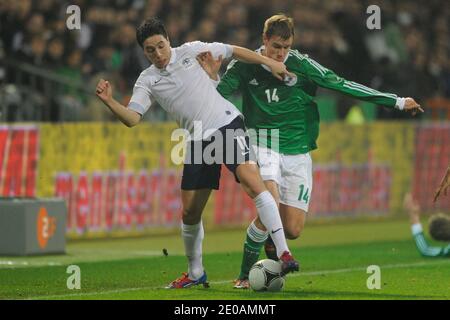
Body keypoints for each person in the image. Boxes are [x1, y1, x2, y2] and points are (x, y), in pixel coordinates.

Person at [197, 14, 424, 289]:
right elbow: (216, 96)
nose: (281, 53)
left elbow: (341, 84)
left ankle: (273, 238)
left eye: (286, 47)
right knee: (269, 199)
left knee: (292, 229)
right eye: (276, 47)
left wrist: (397, 102)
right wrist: (211, 77)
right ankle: (245, 275)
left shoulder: (301, 65)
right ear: (264, 41)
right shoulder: (246, 65)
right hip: (263, 140)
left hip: (298, 149)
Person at [95, 17, 300, 289]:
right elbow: (133, 118)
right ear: (144, 52)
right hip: (198, 141)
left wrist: (270, 62)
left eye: (160, 45)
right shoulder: (147, 80)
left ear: (168, 39)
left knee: (253, 183)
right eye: (150, 50)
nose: (158, 53)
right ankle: (195, 272)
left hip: (226, 123)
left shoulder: (191, 50)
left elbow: (233, 50)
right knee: (190, 213)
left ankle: (284, 253)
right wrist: (110, 102)